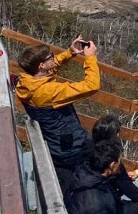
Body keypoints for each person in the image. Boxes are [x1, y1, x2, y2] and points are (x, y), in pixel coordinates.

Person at [16, 37, 100, 191]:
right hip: (72, 147)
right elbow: (92, 85)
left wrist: (70, 53)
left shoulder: (26, 83)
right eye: (51, 57)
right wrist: (90, 58)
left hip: (55, 143)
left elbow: (46, 73)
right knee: (94, 173)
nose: (54, 58)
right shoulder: (48, 91)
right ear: (41, 65)